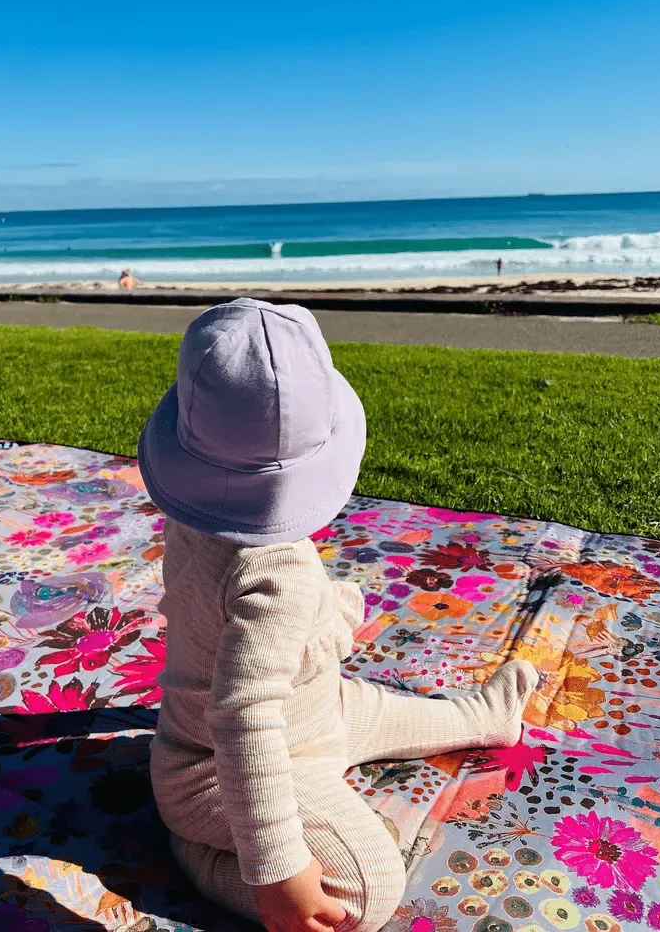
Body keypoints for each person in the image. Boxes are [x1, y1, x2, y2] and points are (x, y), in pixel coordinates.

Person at [138, 298, 538, 932]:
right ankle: (206, 855)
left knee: (376, 708)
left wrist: (323, 617)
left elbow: (223, 617)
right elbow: (246, 724)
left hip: (320, 710)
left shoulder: (196, 514)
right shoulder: (279, 578)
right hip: (218, 772)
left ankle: (476, 717)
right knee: (367, 892)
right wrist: (278, 873)